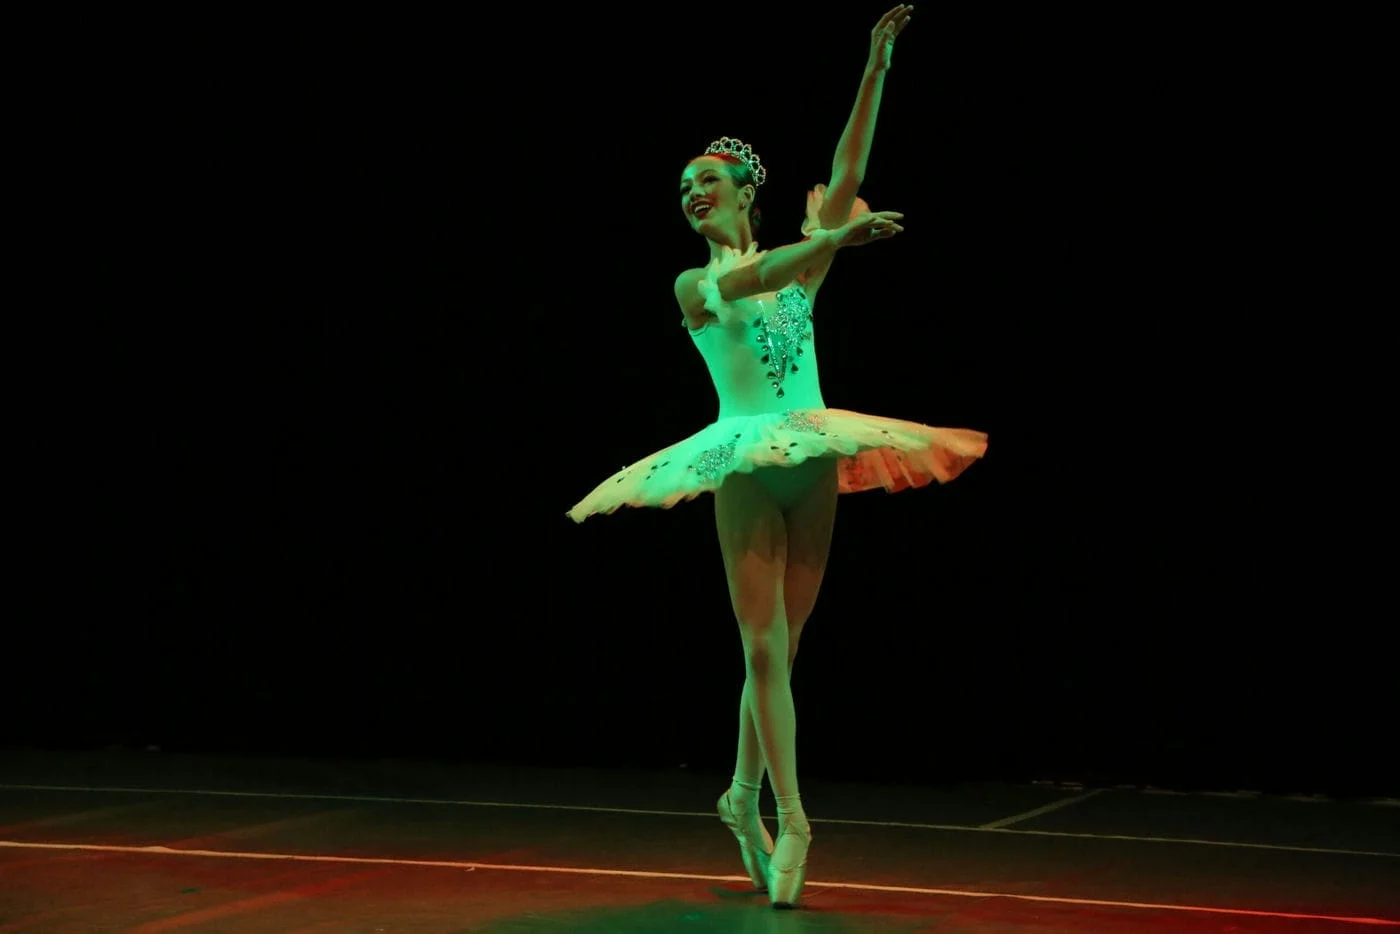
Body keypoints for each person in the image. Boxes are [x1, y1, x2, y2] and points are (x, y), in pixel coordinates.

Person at [567, 5, 986, 909]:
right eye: (683, 182)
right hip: (747, 459)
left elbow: (846, 176)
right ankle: (792, 818)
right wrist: (832, 242)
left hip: (815, 449)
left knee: (787, 651)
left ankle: (737, 796)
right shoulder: (696, 282)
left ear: (746, 189)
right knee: (760, 646)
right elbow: (754, 278)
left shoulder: (800, 264)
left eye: (707, 178)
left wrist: (874, 70)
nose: (692, 190)